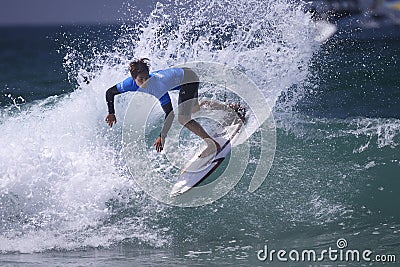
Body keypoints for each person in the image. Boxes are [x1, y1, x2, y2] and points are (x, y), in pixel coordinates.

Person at [105, 58, 221, 157]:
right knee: (194, 109)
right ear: (133, 79)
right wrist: (111, 112)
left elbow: (169, 112)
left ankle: (212, 144)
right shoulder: (128, 84)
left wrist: (162, 136)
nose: (145, 82)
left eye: (146, 78)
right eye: (140, 79)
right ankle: (230, 107)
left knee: (183, 118)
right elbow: (110, 92)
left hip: (189, 79)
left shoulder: (157, 86)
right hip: (183, 77)